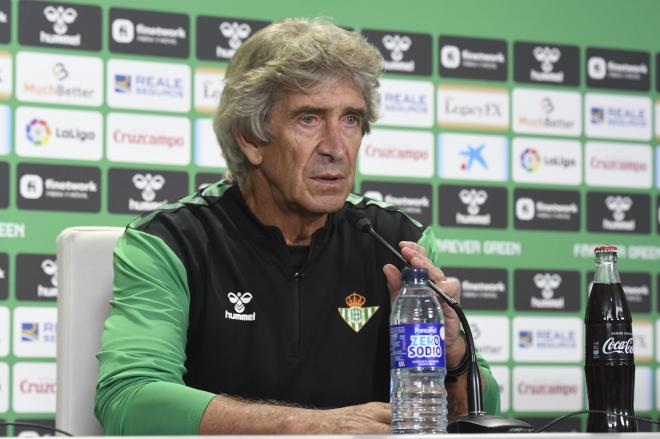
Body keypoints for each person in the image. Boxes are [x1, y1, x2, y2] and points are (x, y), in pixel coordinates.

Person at [95, 18, 500, 435]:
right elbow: (129, 399)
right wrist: (306, 427)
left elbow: (477, 411)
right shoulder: (172, 241)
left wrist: (454, 358)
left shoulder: (398, 241)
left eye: (351, 120)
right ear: (249, 139)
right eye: (309, 119)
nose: (336, 148)